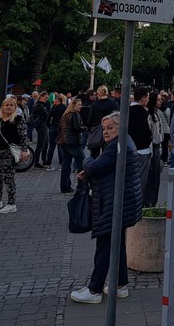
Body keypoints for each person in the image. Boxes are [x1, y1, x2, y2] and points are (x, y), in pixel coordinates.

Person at [70, 113, 143, 303]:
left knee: (104, 245)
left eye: (111, 127)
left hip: (115, 203)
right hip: (122, 201)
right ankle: (121, 285)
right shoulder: (122, 142)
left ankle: (94, 290)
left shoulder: (118, 146)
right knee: (116, 243)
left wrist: (86, 162)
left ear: (121, 127)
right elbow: (103, 168)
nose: (106, 132)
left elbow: (95, 167)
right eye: (104, 129)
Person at [0, 97, 30, 214]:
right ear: (2, 107)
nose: (9, 107)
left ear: (15, 107)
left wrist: (24, 150)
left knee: (8, 177)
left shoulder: (18, 119)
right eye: (7, 105)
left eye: (11, 105)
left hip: (9, 152)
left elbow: (23, 136)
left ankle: (11, 203)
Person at [57, 98, 86, 194]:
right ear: (73, 105)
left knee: (66, 165)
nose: (80, 106)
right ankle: (81, 186)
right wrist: (85, 127)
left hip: (63, 142)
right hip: (73, 143)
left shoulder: (65, 114)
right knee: (83, 163)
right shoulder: (74, 114)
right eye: (78, 104)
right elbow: (77, 128)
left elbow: (59, 128)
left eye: (81, 104)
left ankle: (64, 187)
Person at [87, 85, 117, 158]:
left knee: (94, 154)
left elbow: (90, 119)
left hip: (96, 129)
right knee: (107, 154)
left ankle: (94, 168)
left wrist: (90, 129)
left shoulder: (94, 104)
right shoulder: (113, 103)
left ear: (98, 93)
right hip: (110, 129)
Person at [45, 93, 68, 168]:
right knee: (60, 146)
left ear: (58, 100)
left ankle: (49, 163)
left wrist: (49, 126)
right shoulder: (65, 108)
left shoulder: (53, 108)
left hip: (53, 127)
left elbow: (47, 119)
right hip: (61, 128)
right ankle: (61, 163)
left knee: (51, 146)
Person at [31, 92, 50, 169]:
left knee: (45, 144)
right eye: (45, 98)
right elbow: (46, 115)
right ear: (41, 97)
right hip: (41, 126)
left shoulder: (41, 105)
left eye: (47, 98)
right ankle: (37, 161)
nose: (46, 99)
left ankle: (43, 160)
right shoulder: (39, 106)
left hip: (43, 126)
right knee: (41, 144)